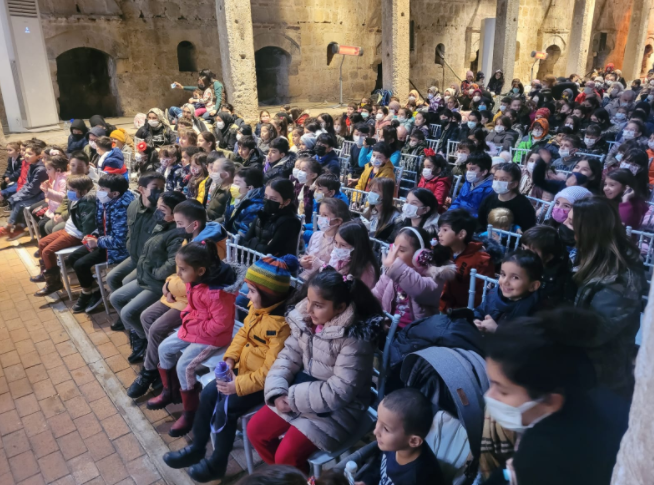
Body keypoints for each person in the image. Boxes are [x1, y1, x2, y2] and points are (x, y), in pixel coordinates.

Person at [162, 255, 297, 482]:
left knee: (227, 407)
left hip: (263, 383)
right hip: (242, 372)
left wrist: (237, 386)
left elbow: (271, 371)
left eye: (252, 291)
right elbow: (243, 334)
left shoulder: (282, 327)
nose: (248, 295)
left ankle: (218, 462)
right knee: (208, 393)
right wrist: (230, 359)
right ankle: (197, 447)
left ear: (268, 293)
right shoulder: (260, 308)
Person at [247, 267, 385, 472]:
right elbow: (287, 356)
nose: (309, 310)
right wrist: (277, 392)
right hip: (302, 393)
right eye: (309, 301)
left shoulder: (354, 339)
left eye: (318, 305)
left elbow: (340, 391)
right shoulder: (306, 322)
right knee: (255, 431)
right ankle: (285, 477)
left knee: (286, 455)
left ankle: (289, 474)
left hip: (338, 410)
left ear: (340, 308)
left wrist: (291, 398)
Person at [483, 309, 630, 485]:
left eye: (503, 391)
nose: (489, 395)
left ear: (551, 401)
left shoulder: (542, 457)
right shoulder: (594, 398)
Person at [127, 199, 228, 398]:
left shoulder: (210, 248)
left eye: (180, 224)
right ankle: (158, 366)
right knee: (146, 316)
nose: (176, 227)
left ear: (195, 224)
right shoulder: (189, 240)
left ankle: (150, 372)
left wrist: (171, 284)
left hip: (192, 301)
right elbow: (178, 271)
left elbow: (198, 283)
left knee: (156, 328)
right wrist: (168, 284)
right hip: (178, 295)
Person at [146, 241, 242, 437]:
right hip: (196, 327)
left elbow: (220, 325)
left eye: (182, 269)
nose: (179, 274)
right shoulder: (194, 282)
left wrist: (194, 325)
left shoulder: (218, 293)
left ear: (200, 270)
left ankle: (191, 412)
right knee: (164, 348)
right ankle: (170, 391)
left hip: (214, 338)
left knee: (184, 365)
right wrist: (187, 317)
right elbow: (192, 306)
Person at [571, 196, 646, 398]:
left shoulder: (622, 276)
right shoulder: (587, 254)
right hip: (581, 361)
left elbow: (598, 331)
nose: (571, 232)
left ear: (588, 230)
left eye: (573, 225)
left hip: (601, 372)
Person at [109, 191, 186, 363]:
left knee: (129, 313)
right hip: (146, 274)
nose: (157, 212)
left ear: (175, 214)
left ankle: (145, 341)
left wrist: (153, 273)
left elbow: (172, 264)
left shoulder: (177, 233)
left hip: (157, 282)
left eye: (162, 209)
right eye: (157, 207)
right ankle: (139, 336)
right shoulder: (161, 224)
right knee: (116, 297)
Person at [67, 174, 135, 313]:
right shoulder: (104, 199)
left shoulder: (123, 208)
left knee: (81, 264)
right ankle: (95, 289)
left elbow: (119, 241)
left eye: (103, 188)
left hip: (117, 249)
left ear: (115, 193)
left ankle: (88, 293)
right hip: (104, 241)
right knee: (73, 258)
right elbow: (102, 225)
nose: (99, 191)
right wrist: (94, 236)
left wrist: (97, 242)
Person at [357, 388, 445, 485]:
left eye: (386, 429)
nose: (375, 431)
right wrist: (366, 481)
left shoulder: (417, 478)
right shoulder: (392, 445)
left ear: (414, 441)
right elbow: (379, 464)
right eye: (378, 419)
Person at [373, 226, 455, 327]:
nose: (395, 254)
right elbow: (376, 295)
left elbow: (420, 290)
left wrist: (395, 267)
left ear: (419, 254)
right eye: (394, 248)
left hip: (416, 334)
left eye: (401, 250)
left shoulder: (434, 275)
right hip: (390, 328)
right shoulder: (393, 271)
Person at [31, 175, 96, 296]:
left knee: (47, 251)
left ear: (83, 191)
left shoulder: (88, 204)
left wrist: (87, 240)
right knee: (41, 243)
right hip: (68, 229)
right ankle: (46, 273)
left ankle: (54, 283)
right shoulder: (76, 198)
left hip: (76, 235)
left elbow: (88, 227)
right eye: (68, 189)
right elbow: (66, 207)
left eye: (71, 190)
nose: (68, 192)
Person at [472, 249, 542, 333]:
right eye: (503, 274)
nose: (505, 281)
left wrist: (497, 331)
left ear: (533, 286)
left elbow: (526, 342)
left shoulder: (534, 313)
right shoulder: (493, 293)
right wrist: (476, 320)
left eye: (515, 277)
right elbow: (480, 311)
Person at [437, 209, 495, 311]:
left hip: (462, 312)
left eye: (445, 230)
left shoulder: (481, 260)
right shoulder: (440, 251)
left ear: (461, 234)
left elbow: (480, 295)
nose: (439, 234)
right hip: (440, 306)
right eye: (439, 230)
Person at [0, 142, 49, 239]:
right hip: (35, 193)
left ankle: (10, 227)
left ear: (39, 156)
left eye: (30, 154)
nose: (25, 155)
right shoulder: (32, 165)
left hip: (42, 195)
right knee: (16, 199)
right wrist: (16, 196)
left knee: (19, 202)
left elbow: (33, 189)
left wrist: (17, 197)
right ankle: (17, 227)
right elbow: (27, 183)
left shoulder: (41, 169)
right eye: (25, 152)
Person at [241, 178, 301, 257]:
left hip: (277, 266)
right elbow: (244, 242)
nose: (268, 201)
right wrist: (260, 245)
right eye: (266, 196)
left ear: (286, 202)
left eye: (273, 198)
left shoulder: (290, 222)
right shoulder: (263, 213)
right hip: (254, 262)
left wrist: (252, 242)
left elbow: (269, 252)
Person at [520, 225, 576, 309]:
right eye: (523, 248)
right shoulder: (524, 265)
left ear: (548, 257)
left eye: (531, 253)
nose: (524, 255)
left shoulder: (560, 281)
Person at [300, 198, 351, 280]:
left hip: (322, 283)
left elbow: (338, 271)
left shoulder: (341, 245)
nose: (321, 218)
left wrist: (320, 264)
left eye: (325, 215)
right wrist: (303, 261)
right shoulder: (316, 235)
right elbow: (307, 253)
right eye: (320, 214)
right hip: (304, 277)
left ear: (338, 221)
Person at [478, 163, 537, 231]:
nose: (498, 182)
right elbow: (481, 222)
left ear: (514, 184)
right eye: (495, 178)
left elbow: (527, 230)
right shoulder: (489, 199)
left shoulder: (524, 205)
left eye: (503, 180)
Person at [328, 220, 380, 289]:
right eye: (336, 242)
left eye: (343, 245)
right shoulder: (339, 257)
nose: (337, 248)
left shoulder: (367, 272)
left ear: (357, 247)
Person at [448, 152, 494, 218]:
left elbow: (484, 214)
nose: (468, 172)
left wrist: (464, 219)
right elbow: (458, 201)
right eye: (467, 169)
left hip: (472, 222)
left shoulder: (490, 189)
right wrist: (449, 213)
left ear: (484, 172)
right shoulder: (468, 183)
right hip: (460, 217)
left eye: (472, 169)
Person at [224, 168, 265, 236]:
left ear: (249, 188)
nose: (233, 186)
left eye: (237, 183)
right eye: (233, 182)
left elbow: (242, 235)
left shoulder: (255, 207)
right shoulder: (236, 198)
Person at [362, 177, 401, 242]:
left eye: (375, 191)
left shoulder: (395, 218)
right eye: (370, 190)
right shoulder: (367, 210)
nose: (370, 194)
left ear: (386, 194)